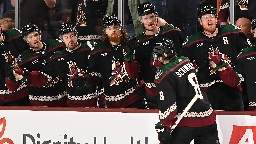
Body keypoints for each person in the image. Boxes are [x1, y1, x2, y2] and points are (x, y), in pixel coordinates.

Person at [12, 23, 103, 107]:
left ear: (77, 36)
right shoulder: (57, 57)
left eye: (72, 36)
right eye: (66, 37)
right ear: (62, 39)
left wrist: (88, 79)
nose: (70, 40)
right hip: (71, 103)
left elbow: (102, 69)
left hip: (94, 102)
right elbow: (44, 77)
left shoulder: (90, 47)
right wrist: (26, 75)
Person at [181, 5, 248, 111]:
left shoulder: (232, 33)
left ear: (217, 19)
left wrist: (238, 74)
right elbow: (183, 66)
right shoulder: (192, 43)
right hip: (207, 93)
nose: (209, 19)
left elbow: (246, 54)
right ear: (200, 21)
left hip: (231, 91)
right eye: (205, 17)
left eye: (212, 16)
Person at [153, 38, 218, 144]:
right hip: (208, 118)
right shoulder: (185, 61)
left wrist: (164, 125)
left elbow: (170, 108)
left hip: (186, 122)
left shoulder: (164, 75)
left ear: (160, 57)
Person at [85, 14, 145, 108]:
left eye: (115, 27)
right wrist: (87, 79)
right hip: (110, 101)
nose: (113, 30)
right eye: (109, 28)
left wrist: (143, 84)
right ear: (105, 31)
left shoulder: (131, 44)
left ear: (121, 29)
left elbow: (138, 72)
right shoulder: (98, 50)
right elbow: (94, 75)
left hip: (132, 98)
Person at [135, 2, 186, 109]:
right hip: (152, 92)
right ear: (141, 20)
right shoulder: (138, 42)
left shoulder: (171, 33)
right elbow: (137, 70)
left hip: (174, 88)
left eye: (152, 17)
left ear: (157, 17)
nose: (150, 21)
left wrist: (167, 25)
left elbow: (183, 46)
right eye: (146, 18)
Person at [4, 23, 66, 106]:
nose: (35, 38)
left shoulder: (55, 44)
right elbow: (14, 85)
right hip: (39, 102)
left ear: (40, 35)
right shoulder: (24, 58)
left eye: (36, 35)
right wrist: (10, 76)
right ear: (26, 40)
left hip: (61, 98)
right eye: (30, 37)